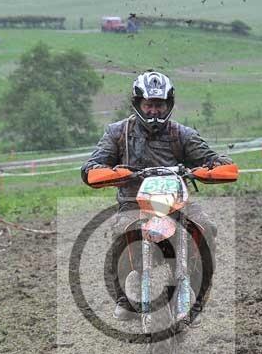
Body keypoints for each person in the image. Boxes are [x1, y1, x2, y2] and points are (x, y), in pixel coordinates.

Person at [81, 70, 231, 324]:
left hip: (177, 202)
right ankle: (123, 297)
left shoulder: (181, 134)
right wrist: (107, 172)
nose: (154, 111)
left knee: (206, 227)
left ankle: (199, 294)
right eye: (149, 105)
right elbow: (92, 166)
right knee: (119, 233)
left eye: (159, 105)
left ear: (168, 105)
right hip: (134, 203)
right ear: (138, 104)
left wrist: (215, 167)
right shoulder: (118, 133)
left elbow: (211, 158)